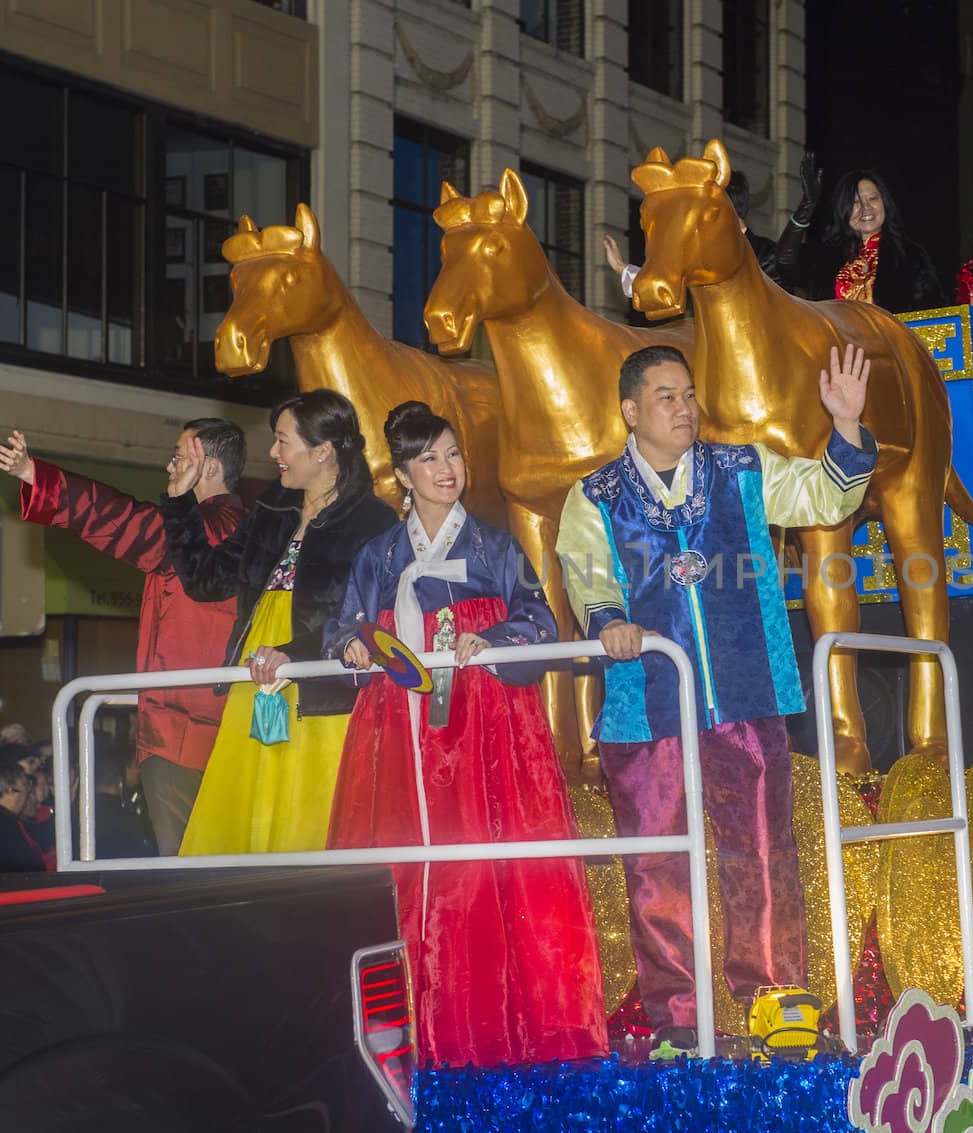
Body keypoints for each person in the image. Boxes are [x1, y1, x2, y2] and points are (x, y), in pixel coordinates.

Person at [555, 342, 876, 1049]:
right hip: (647, 704)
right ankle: (678, 1014)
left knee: (761, 843)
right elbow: (587, 573)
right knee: (657, 861)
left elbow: (826, 493)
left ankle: (774, 989)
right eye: (666, 396)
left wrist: (846, 427)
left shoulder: (741, 469)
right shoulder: (596, 495)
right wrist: (608, 621)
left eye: (689, 393)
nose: (684, 407)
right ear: (631, 410)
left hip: (742, 693)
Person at [326, 401, 606, 1066]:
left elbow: (540, 619)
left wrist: (498, 636)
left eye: (453, 453)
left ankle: (502, 1029)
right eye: (429, 457)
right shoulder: (379, 555)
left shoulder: (495, 545)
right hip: (403, 734)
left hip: (486, 733)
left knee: (485, 868)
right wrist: (355, 648)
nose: (447, 468)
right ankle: (402, 1028)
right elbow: (342, 630)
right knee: (404, 866)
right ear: (402, 474)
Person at [0, 419, 248, 856]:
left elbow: (126, 523)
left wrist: (41, 479)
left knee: (189, 868)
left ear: (206, 466)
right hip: (222, 720)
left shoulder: (204, 524)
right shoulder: (245, 523)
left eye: (178, 457)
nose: (169, 467)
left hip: (183, 726)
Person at [162, 389, 396, 855]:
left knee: (310, 817)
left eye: (283, 441)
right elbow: (206, 581)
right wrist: (179, 503)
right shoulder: (271, 511)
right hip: (257, 677)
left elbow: (368, 617)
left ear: (323, 450)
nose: (273, 454)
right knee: (243, 824)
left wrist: (295, 653)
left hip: (323, 690)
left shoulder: (374, 523)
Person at [775, 161, 942, 311]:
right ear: (843, 210)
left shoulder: (910, 257)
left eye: (873, 199)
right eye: (856, 202)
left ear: (885, 203)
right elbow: (784, 262)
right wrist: (807, 207)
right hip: (836, 344)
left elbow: (934, 313)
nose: (866, 208)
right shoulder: (826, 257)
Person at [605, 168, 787, 298]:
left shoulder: (767, 254)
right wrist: (622, 268)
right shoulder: (701, 252)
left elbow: (776, 308)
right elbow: (666, 284)